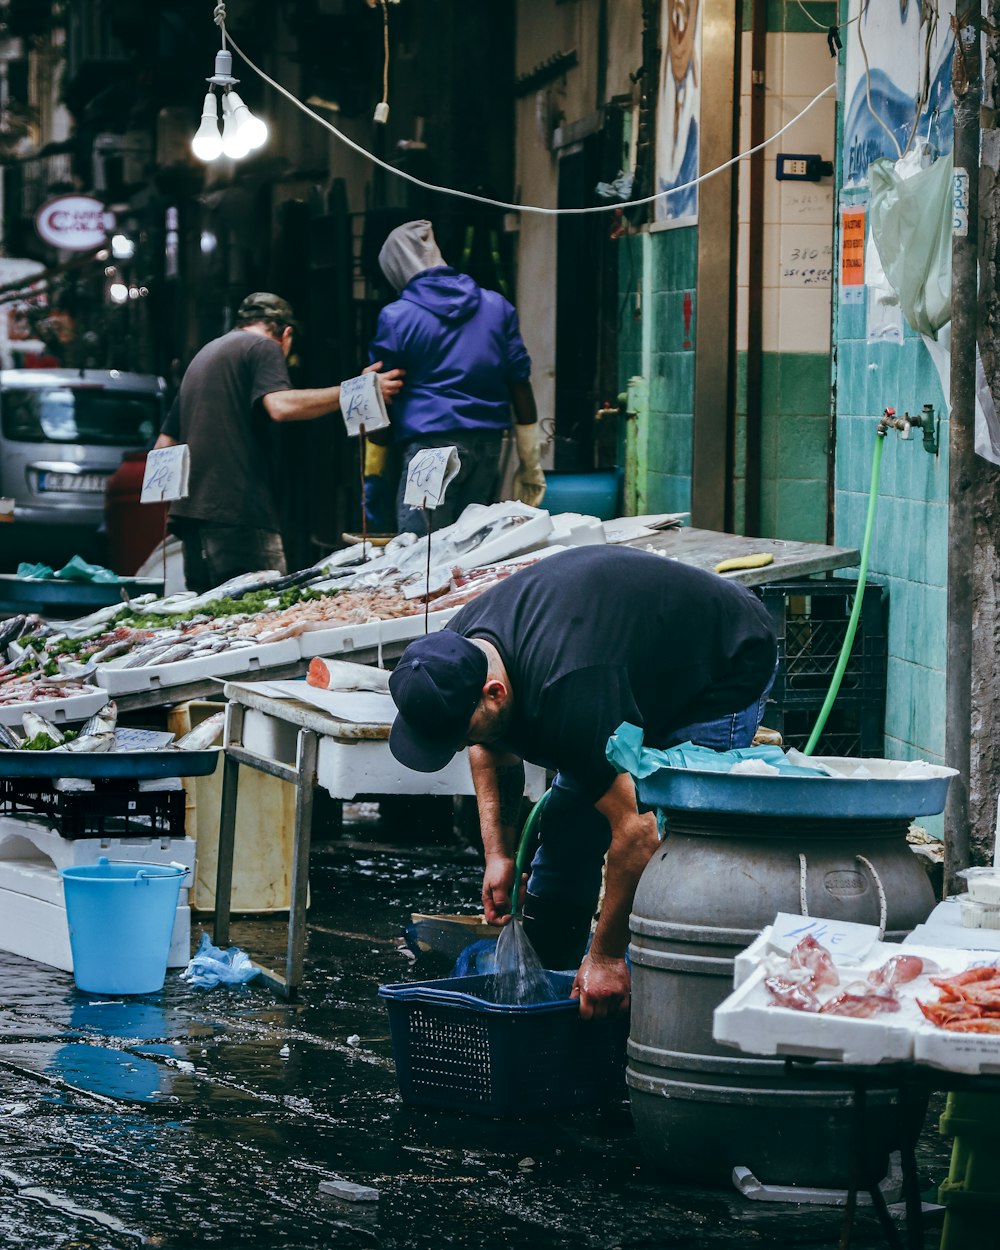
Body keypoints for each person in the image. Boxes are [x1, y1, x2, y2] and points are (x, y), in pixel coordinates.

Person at [387, 546, 778, 1020]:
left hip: (719, 666)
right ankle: (558, 986)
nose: (458, 745)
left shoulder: (571, 693)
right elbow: (490, 745)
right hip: (618, 667)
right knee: (568, 836)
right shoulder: (454, 653)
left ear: (495, 692)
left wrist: (607, 956)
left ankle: (668, 1011)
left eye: (460, 734)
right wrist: (499, 856)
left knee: (678, 852)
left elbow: (638, 834)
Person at [155, 292, 403, 593]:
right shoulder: (263, 347)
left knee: (212, 621)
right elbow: (280, 406)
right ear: (286, 334)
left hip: (191, 518)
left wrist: (173, 507)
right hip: (237, 512)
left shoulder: (205, 356)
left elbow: (163, 445)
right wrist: (354, 391)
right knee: (260, 614)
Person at [366, 219, 545, 535]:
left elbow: (383, 393)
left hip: (430, 452)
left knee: (422, 553)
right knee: (469, 550)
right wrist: (530, 461)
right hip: (488, 449)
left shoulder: (396, 316)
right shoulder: (497, 306)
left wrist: (373, 471)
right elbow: (519, 381)